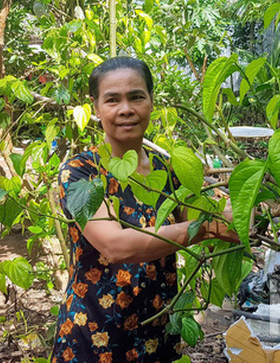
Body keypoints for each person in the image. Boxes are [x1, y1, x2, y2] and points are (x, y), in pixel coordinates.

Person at [50, 57, 238, 363]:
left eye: (137, 96)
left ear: (151, 102)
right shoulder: (81, 173)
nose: (126, 109)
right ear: (96, 109)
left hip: (156, 331)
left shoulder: (167, 169)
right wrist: (207, 227)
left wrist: (236, 209)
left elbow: (210, 220)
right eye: (112, 100)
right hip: (94, 336)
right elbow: (116, 246)